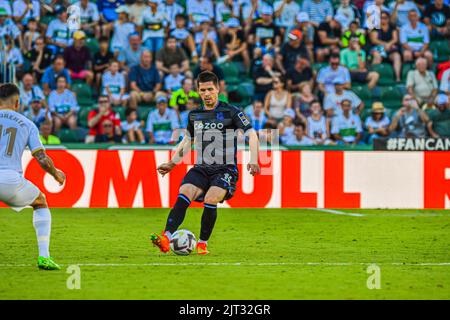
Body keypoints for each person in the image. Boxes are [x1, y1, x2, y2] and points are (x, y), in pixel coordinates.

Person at [150, 71, 260, 255]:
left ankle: (202, 243)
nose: (207, 94)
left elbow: (252, 135)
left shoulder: (232, 112)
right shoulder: (194, 115)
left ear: (218, 89)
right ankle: (166, 237)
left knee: (210, 198)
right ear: (198, 92)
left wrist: (254, 158)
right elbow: (187, 141)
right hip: (201, 167)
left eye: (210, 89)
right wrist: (172, 163)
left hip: (225, 169)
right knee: (184, 192)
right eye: (202, 90)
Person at [0, 83, 65, 270]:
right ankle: (44, 256)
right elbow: (42, 159)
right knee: (40, 201)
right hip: (10, 180)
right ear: (17, 102)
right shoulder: (27, 123)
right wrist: (56, 174)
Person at [369, 11, 402, 82]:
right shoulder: (375, 27)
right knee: (377, 55)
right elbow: (374, 40)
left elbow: (395, 39)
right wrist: (385, 44)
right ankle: (374, 77)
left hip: (390, 48)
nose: (383, 19)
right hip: (379, 48)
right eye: (381, 18)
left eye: (385, 18)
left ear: (388, 18)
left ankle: (397, 77)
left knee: (397, 56)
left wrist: (389, 44)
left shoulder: (392, 27)